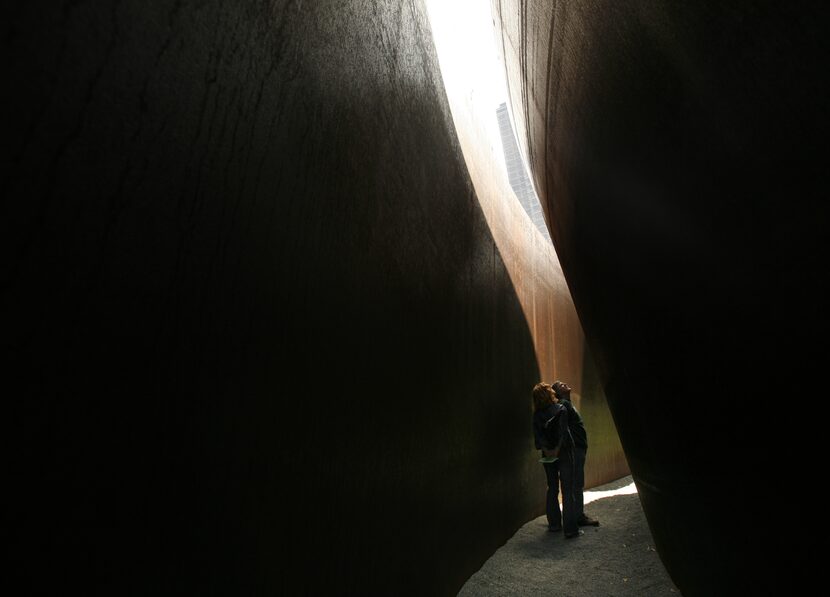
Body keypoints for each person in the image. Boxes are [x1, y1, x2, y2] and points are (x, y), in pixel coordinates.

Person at [550, 380, 600, 532]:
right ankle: (577, 517)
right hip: (575, 449)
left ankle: (576, 516)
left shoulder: (567, 403)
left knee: (576, 483)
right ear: (558, 393)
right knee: (576, 484)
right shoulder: (564, 404)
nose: (563, 383)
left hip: (578, 448)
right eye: (560, 385)